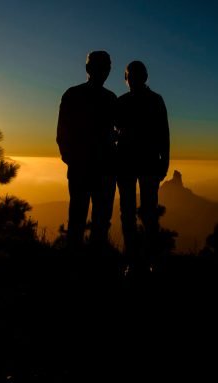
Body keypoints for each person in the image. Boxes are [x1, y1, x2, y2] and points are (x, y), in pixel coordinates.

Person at [57, 51, 117, 250]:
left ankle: (84, 265)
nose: (104, 72)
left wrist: (72, 159)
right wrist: (73, 160)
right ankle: (86, 266)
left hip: (97, 169)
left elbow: (62, 135)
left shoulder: (108, 98)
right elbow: (62, 133)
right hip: (88, 168)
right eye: (101, 67)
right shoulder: (76, 95)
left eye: (106, 68)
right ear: (88, 69)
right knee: (84, 219)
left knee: (88, 219)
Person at [115, 61, 170, 266]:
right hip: (126, 165)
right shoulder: (121, 102)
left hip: (147, 164)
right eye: (130, 76)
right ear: (126, 79)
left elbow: (164, 133)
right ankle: (133, 260)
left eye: (137, 75)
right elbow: (112, 132)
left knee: (148, 214)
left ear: (145, 77)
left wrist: (164, 162)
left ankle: (150, 260)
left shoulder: (156, 100)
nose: (133, 80)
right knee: (128, 214)